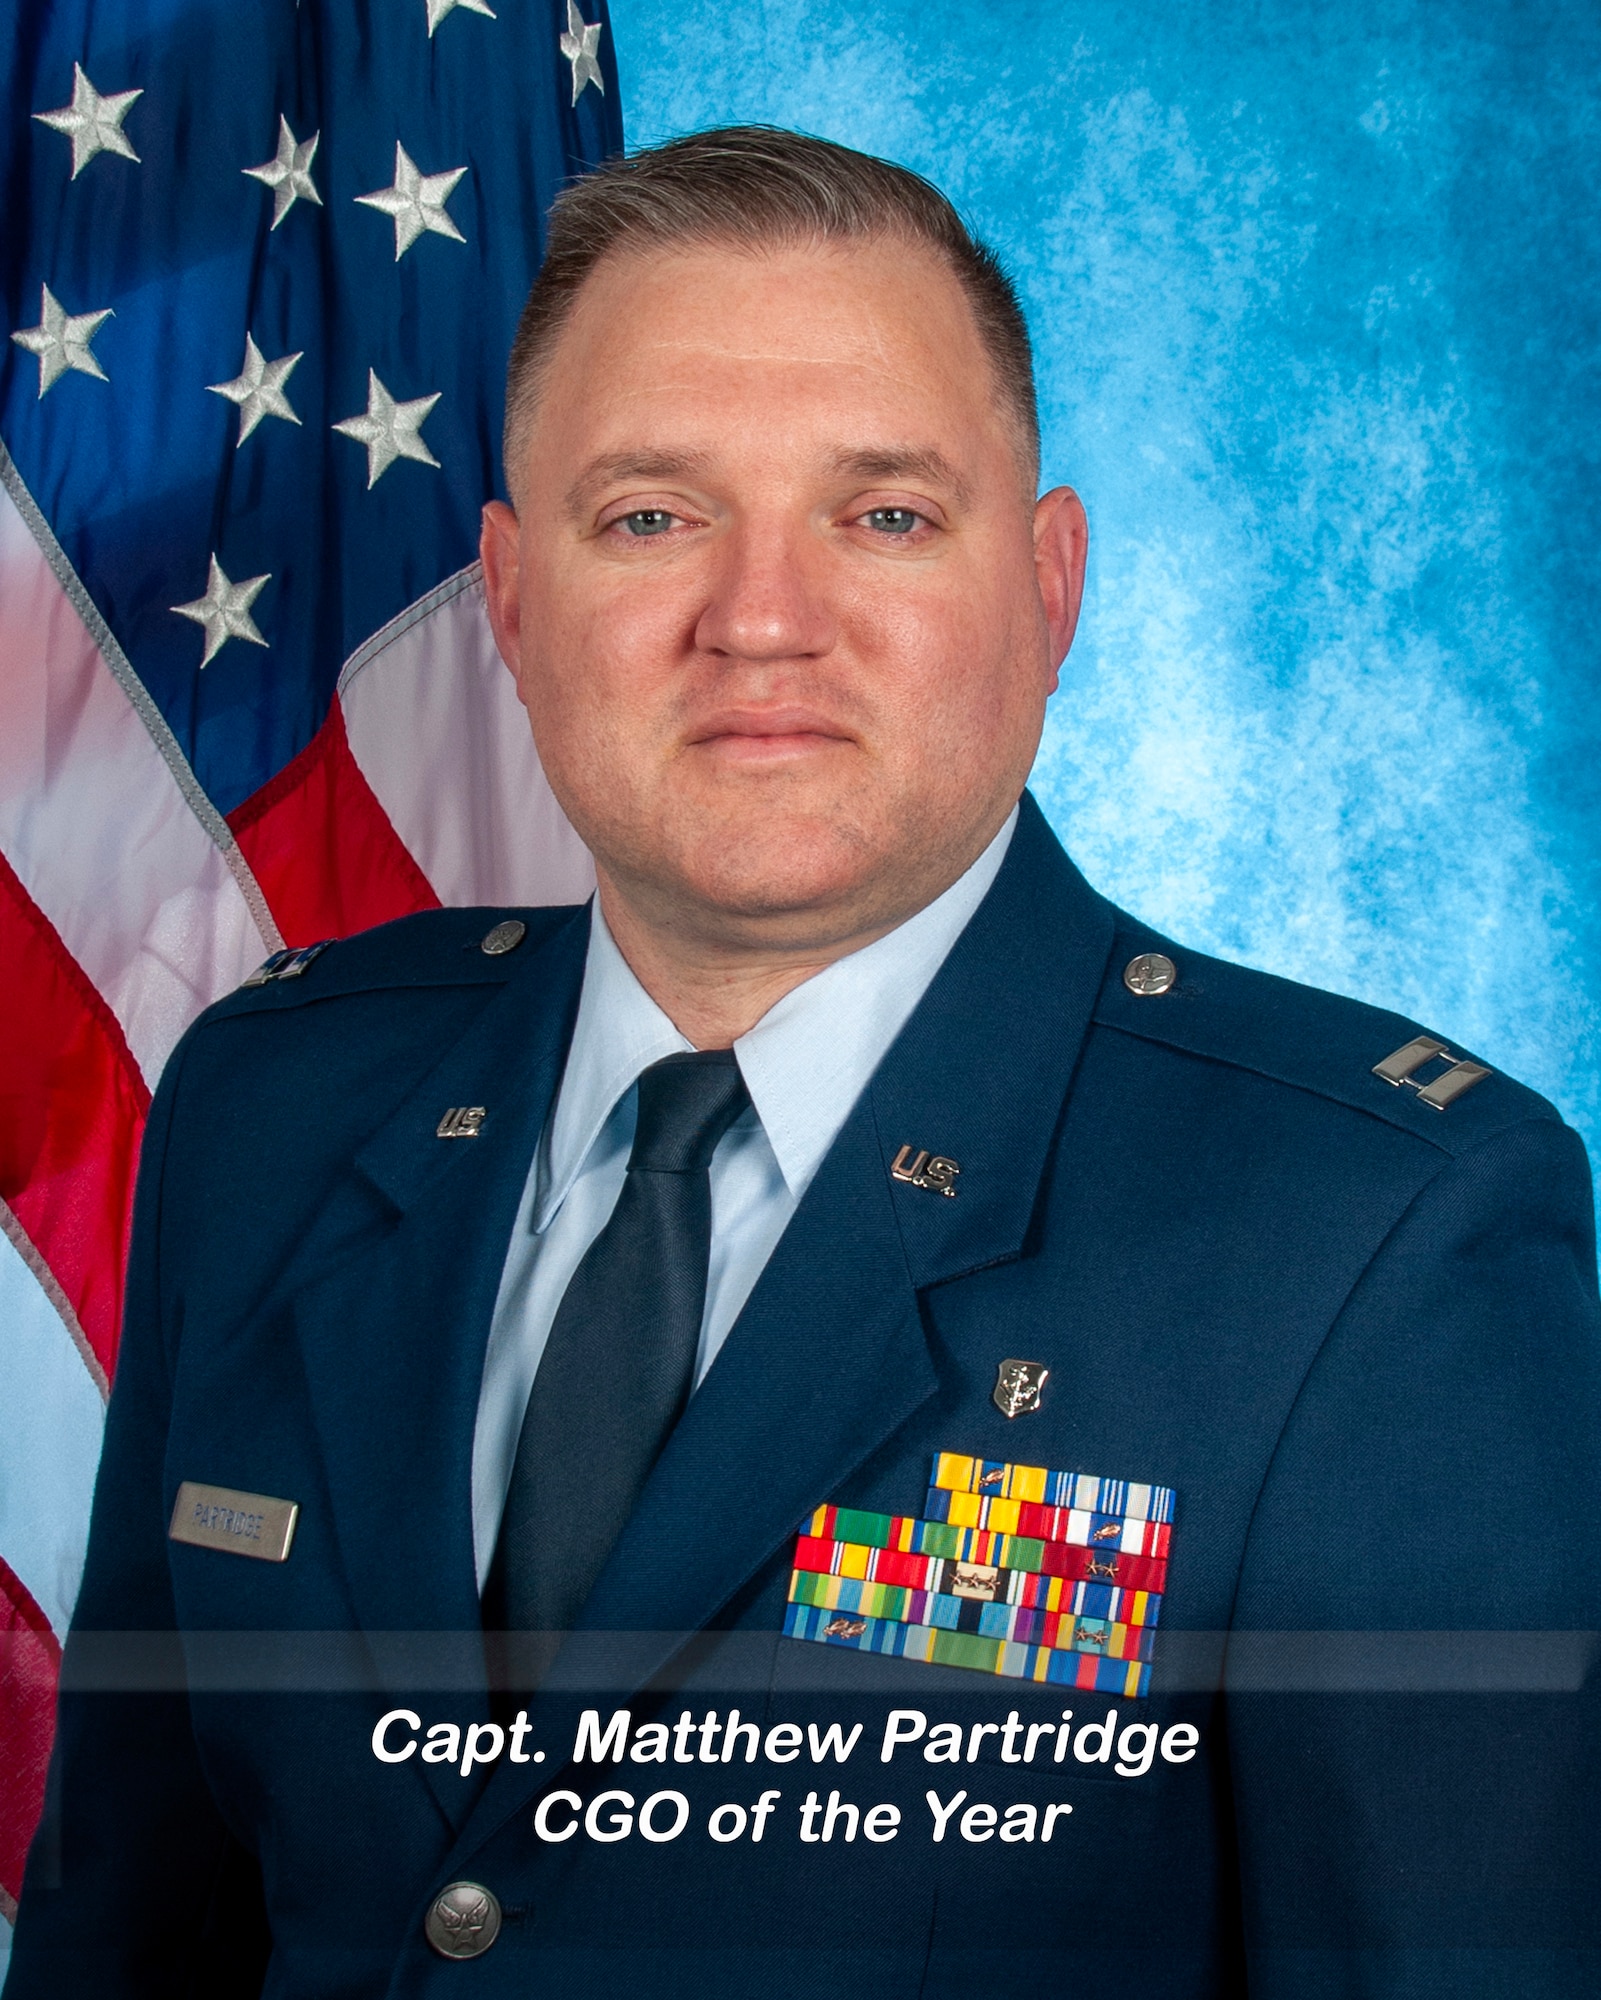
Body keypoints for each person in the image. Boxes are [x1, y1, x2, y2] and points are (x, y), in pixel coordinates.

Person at [11, 125, 1599, 2000]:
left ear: (1049, 590)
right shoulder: (276, 1106)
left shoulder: (1368, 1234)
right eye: (651, 517)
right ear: (511, 602)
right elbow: (134, 1938)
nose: (760, 621)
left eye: (885, 515)